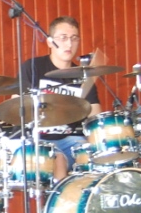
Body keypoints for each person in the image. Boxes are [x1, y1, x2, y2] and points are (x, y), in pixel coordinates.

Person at [17, 16, 101, 180]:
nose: (69, 44)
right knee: (58, 158)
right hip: (35, 138)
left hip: (70, 139)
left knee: (94, 155)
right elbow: (16, 107)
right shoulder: (33, 68)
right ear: (50, 42)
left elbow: (95, 118)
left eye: (74, 38)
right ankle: (59, 196)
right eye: (63, 38)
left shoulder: (84, 77)